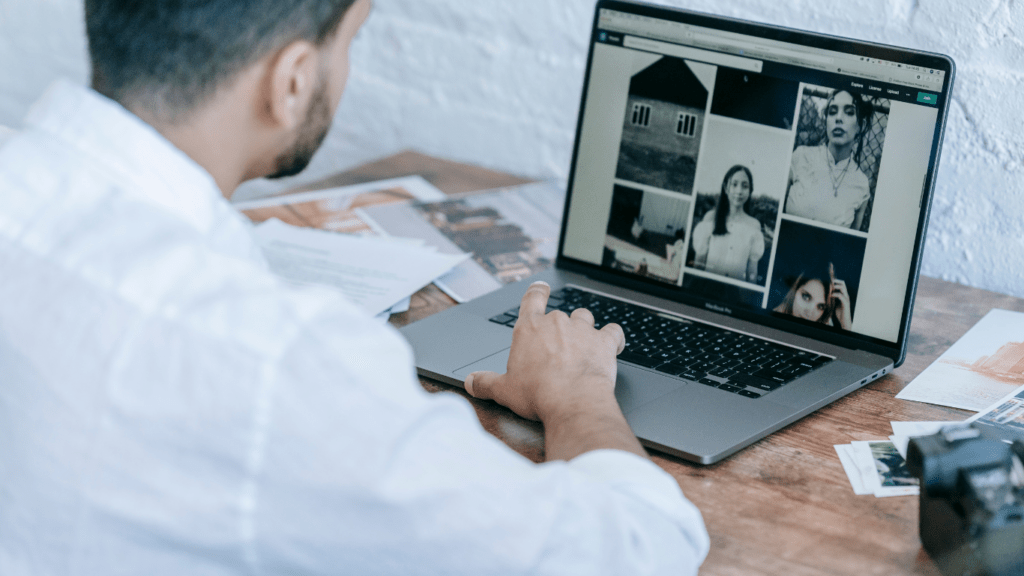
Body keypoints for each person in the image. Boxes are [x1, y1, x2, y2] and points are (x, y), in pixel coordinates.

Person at [0, 1, 709, 575]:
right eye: (351, 40)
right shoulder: (273, 360)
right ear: (292, 81)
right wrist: (579, 396)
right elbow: (636, 550)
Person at [785, 89, 872, 230]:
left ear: (859, 126)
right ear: (826, 122)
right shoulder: (801, 156)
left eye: (849, 112)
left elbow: (848, 244)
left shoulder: (861, 184)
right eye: (832, 112)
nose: (838, 118)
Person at [691, 165, 765, 283]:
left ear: (750, 190)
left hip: (735, 295)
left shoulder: (754, 226)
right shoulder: (711, 218)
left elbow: (752, 271)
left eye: (745, 186)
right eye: (734, 184)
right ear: (726, 188)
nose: (739, 191)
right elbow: (699, 263)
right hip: (707, 288)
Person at [773, 263, 853, 329]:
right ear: (795, 290)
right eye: (806, 297)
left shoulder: (824, 329)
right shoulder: (772, 322)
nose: (810, 312)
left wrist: (846, 326)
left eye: (821, 306)